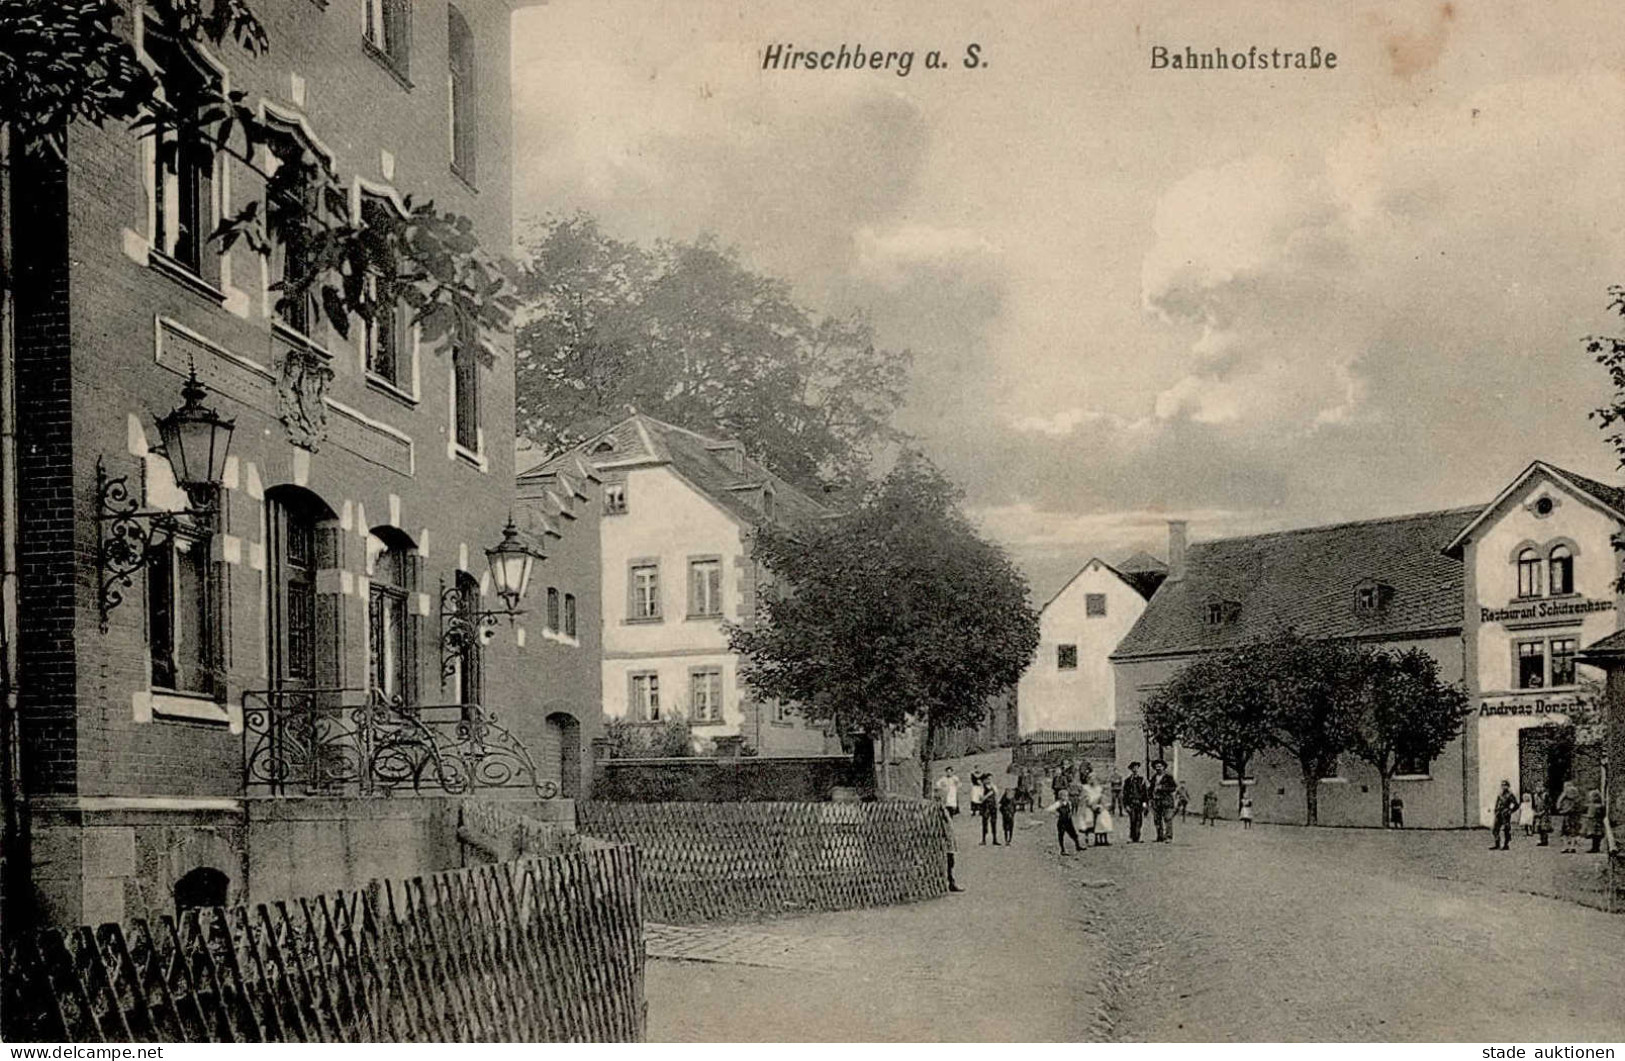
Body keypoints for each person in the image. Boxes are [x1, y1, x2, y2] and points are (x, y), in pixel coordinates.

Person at [1150, 760, 1179, 842]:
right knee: (1157, 819)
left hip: (1166, 801)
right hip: (1156, 801)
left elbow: (1173, 788)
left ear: (1164, 767)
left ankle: (1169, 837)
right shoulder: (1153, 778)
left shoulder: (1168, 777)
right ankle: (1160, 836)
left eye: (1160, 766)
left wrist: (1162, 788)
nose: (1158, 768)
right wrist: (1151, 798)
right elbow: (1150, 789)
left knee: (1168, 818)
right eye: (1156, 767)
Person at [1121, 762, 1150, 842]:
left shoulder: (1142, 780)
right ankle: (1132, 837)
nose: (1135, 770)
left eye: (1136, 768)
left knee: (1139, 820)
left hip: (1139, 803)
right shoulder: (1127, 781)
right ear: (1131, 769)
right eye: (1133, 768)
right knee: (1132, 820)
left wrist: (1145, 803)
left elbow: (1144, 793)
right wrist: (1126, 804)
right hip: (1131, 803)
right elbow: (1125, 793)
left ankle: (1138, 837)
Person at [941, 803, 964, 892]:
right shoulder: (944, 817)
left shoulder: (948, 818)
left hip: (949, 844)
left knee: (951, 863)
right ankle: (950, 882)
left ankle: (951, 882)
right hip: (946, 844)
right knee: (949, 863)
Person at [1556, 780, 1583, 854]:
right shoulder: (1577, 796)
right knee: (1573, 830)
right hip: (1574, 815)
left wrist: (1560, 809)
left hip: (1567, 814)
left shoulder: (1565, 794)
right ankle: (1572, 846)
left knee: (1565, 831)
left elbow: (1559, 803)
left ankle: (1565, 846)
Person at [1491, 779, 1518, 850]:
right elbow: (1497, 803)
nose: (1503, 787)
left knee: (1506, 829)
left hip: (1505, 814)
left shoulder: (1510, 795)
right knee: (1495, 829)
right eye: (1502, 785)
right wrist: (1495, 810)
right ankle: (1497, 844)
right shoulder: (1500, 795)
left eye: (1505, 785)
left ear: (1508, 786)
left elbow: (1515, 804)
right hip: (1499, 813)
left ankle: (1506, 845)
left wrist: (1510, 810)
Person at [1081, 775, 1105, 846]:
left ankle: (1098, 839)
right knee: (1089, 820)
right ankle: (1087, 839)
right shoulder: (1086, 788)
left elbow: (1100, 798)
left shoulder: (1098, 788)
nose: (1092, 781)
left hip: (1097, 806)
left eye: (1094, 779)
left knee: (1099, 821)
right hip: (1089, 807)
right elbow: (1085, 798)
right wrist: (1090, 804)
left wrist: (1099, 805)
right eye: (1091, 779)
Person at [980, 775, 1002, 846]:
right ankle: (983, 840)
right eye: (988, 779)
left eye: (991, 779)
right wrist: (987, 795)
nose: (989, 780)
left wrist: (996, 805)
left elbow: (996, 795)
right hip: (985, 806)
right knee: (985, 823)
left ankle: (994, 839)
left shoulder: (993, 787)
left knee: (994, 822)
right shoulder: (982, 787)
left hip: (992, 806)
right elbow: (981, 798)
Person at [1583, 789, 1607, 853]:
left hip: (1594, 822)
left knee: (1595, 836)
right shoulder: (1600, 806)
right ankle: (1596, 847)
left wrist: (1587, 816)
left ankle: (1595, 848)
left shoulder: (1594, 806)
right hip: (1597, 822)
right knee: (1596, 836)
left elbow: (1592, 815)